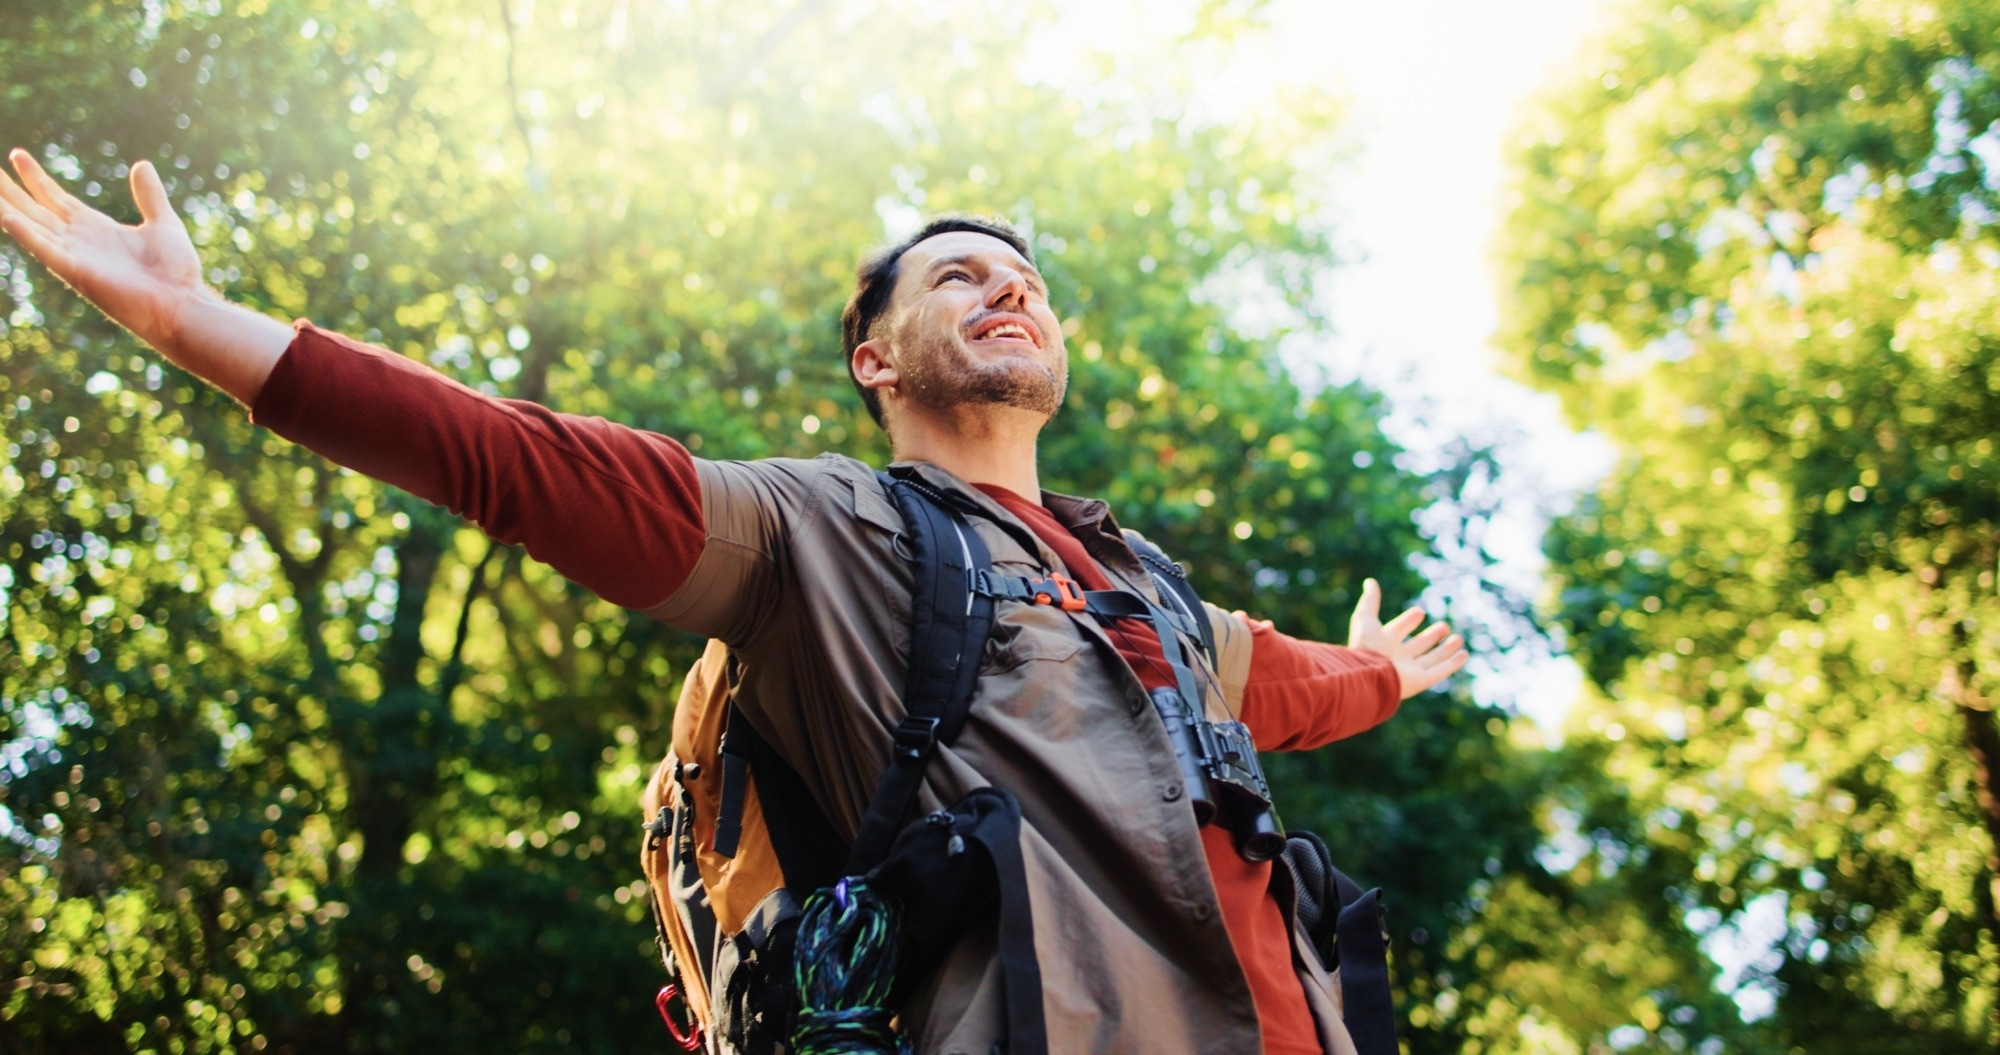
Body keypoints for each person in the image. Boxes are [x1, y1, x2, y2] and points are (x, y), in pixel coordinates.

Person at [0, 150, 1466, 1055]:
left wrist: (1385, 675)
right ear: (876, 359)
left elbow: (1295, 688)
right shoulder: (819, 531)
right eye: (962, 277)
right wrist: (198, 323)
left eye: (1027, 283)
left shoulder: (1150, 592)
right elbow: (515, 463)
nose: (1010, 293)